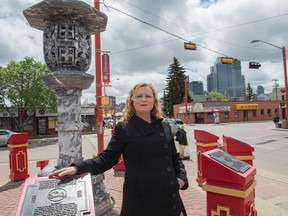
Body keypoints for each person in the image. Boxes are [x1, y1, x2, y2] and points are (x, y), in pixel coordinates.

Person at [49, 82, 189, 216]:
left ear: (154, 101)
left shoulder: (164, 125)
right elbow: (107, 158)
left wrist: (181, 179)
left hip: (169, 195)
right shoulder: (125, 128)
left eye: (148, 96)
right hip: (140, 198)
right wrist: (77, 168)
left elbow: (174, 157)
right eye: (139, 96)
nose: (143, 99)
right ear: (132, 100)